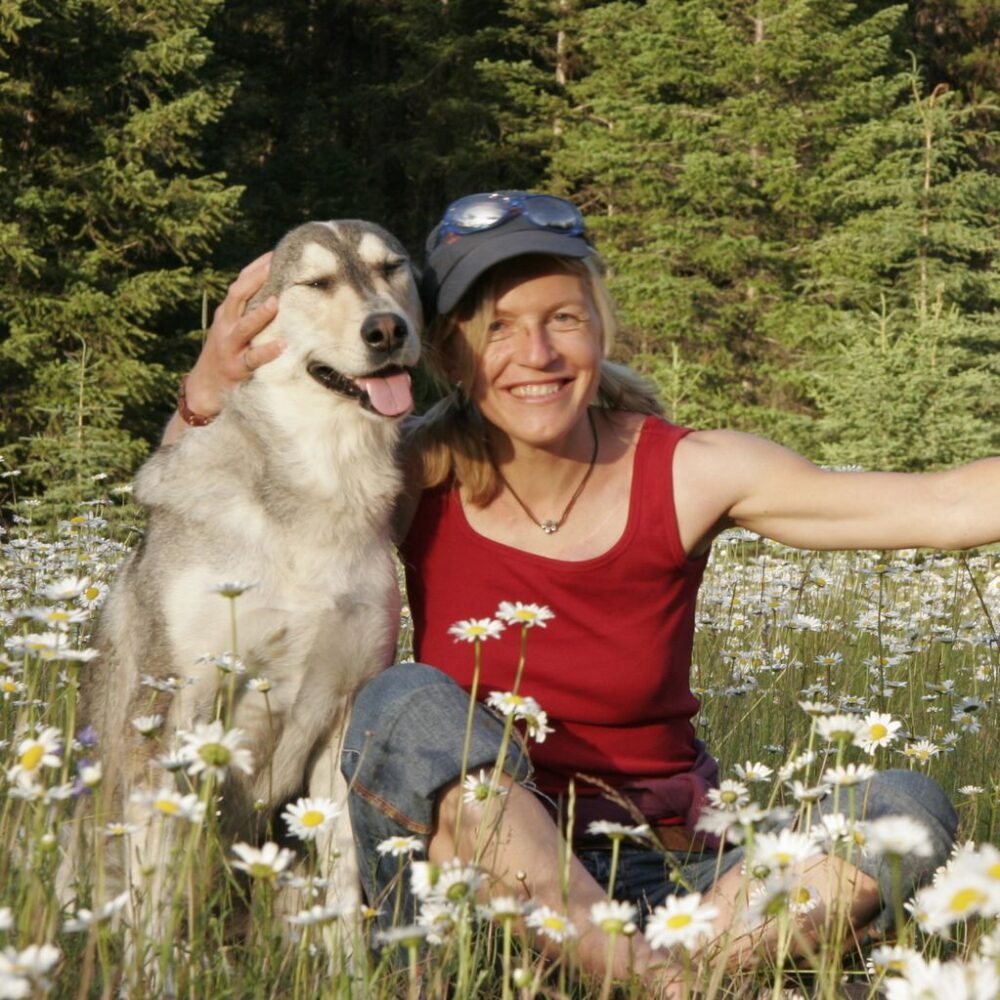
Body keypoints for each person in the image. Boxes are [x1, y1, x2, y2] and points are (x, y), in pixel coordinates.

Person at [168, 192, 999, 992]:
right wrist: (206, 395)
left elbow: (946, 504)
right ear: (450, 353)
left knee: (906, 807)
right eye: (500, 329)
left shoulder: (687, 471)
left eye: (563, 319)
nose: (537, 355)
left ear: (600, 331)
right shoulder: (403, 473)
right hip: (488, 877)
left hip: (693, 875)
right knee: (409, 702)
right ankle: (670, 979)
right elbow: (234, 505)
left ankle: (658, 970)